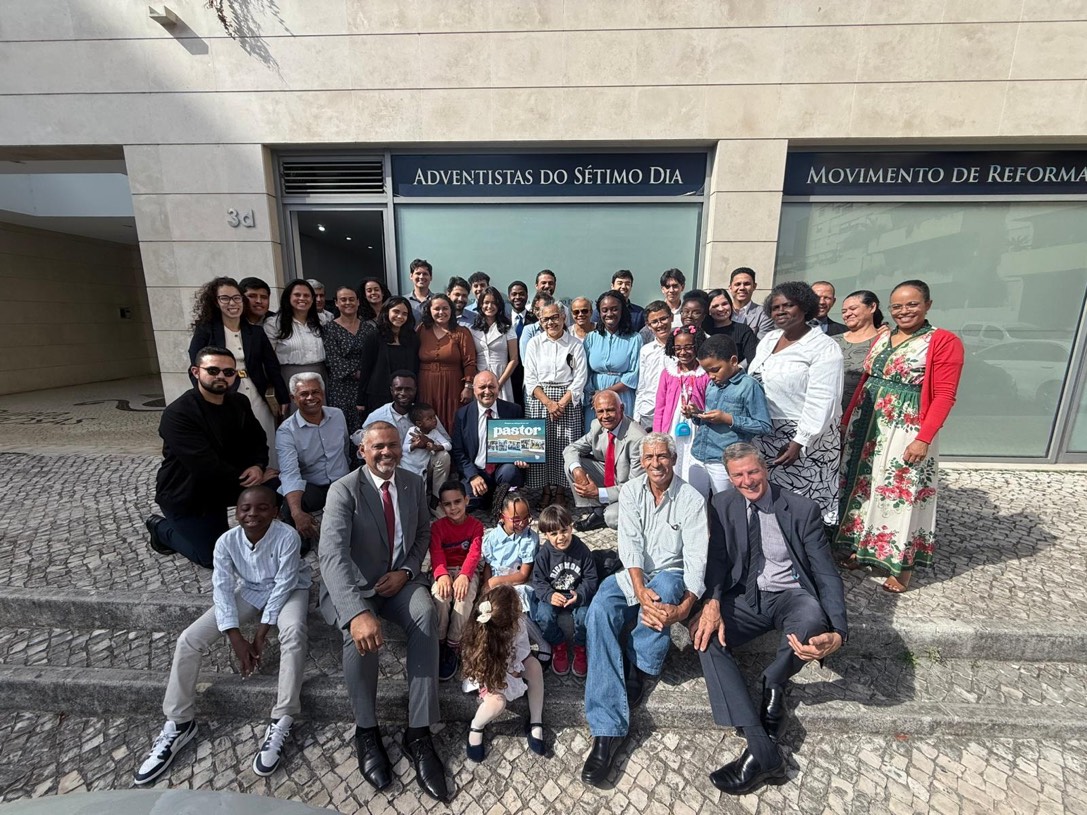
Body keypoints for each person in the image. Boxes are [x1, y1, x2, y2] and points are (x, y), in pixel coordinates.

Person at [692, 443, 847, 795]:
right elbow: (717, 560)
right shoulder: (721, 504)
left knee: (811, 622)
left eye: (753, 472)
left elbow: (825, 574)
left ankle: (773, 681)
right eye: (738, 475)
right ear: (729, 479)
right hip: (745, 596)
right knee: (704, 636)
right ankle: (763, 750)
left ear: (766, 469)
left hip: (791, 595)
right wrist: (713, 602)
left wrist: (838, 631)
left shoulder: (802, 509)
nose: (747, 481)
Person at [134, 486, 312, 786]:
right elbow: (223, 589)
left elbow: (283, 584)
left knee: (293, 631)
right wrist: (235, 637)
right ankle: (179, 722)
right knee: (189, 639)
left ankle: (283, 717)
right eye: (245, 508)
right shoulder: (226, 542)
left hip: (292, 589)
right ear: (236, 511)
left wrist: (260, 633)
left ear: (275, 511)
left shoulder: (287, 537)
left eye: (262, 508)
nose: (252, 514)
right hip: (251, 591)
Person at [318, 421, 449, 802]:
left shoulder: (411, 483)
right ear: (363, 450)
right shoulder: (343, 491)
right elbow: (331, 555)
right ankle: (366, 730)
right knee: (357, 633)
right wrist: (356, 611)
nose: (386, 452)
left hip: (397, 581)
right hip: (356, 586)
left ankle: (419, 731)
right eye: (378, 447)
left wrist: (407, 571)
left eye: (392, 445)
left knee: (426, 612)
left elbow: (423, 532)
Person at [580, 433, 708, 787]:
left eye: (662, 456)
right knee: (601, 609)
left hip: (672, 571)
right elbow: (630, 543)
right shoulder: (634, 492)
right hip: (634, 574)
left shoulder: (692, 500)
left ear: (673, 458)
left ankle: (639, 664)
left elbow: (697, 558)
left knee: (666, 589)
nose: (656, 463)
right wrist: (637, 587)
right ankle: (607, 732)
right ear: (643, 460)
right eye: (649, 457)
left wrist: (685, 609)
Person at [836, 280, 964, 593]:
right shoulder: (883, 336)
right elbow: (867, 378)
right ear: (888, 309)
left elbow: (945, 394)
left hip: (906, 426)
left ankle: (902, 566)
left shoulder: (942, 341)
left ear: (928, 305)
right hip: (868, 423)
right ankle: (862, 550)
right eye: (898, 306)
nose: (904, 311)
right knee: (863, 487)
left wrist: (924, 437)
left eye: (912, 304)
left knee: (900, 492)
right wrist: (846, 418)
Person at [147, 346, 269, 568]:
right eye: (213, 370)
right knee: (213, 558)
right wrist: (250, 477)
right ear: (196, 372)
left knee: (275, 486)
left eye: (228, 372)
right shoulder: (178, 414)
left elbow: (258, 440)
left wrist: (258, 466)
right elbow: (204, 465)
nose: (221, 376)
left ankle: (271, 539)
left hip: (227, 482)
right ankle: (161, 529)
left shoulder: (239, 402)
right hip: (190, 495)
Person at [749, 281, 844, 526]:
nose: (780, 311)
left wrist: (800, 440)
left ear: (804, 307)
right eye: (776, 307)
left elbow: (824, 399)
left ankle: (807, 558)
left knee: (803, 501)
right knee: (772, 499)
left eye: (788, 305)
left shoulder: (822, 346)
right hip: (768, 433)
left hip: (805, 437)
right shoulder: (769, 339)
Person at [188, 277, 288, 471]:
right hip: (223, 392)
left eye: (236, 298)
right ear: (216, 302)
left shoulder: (255, 332)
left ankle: (267, 479)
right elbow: (196, 366)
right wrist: (203, 396)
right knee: (233, 437)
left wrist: (283, 397)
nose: (232, 303)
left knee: (263, 434)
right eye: (225, 298)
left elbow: (272, 365)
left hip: (255, 392)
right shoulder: (206, 331)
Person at [461, 584, 546, 762]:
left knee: (535, 667)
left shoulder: (519, 624)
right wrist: (498, 676)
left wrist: (515, 668)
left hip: (513, 664)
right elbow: (478, 666)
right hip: (489, 675)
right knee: (497, 703)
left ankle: (536, 720)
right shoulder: (482, 632)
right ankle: (476, 726)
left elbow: (523, 647)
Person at [275, 372, 351, 550]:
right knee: (290, 503)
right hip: (315, 486)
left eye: (315, 392)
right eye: (304, 394)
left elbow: (346, 447)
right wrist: (297, 513)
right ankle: (299, 542)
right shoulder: (286, 431)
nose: (311, 398)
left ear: (323, 394)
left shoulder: (337, 415)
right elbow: (290, 473)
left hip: (343, 483)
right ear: (294, 398)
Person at [689, 334, 772, 496]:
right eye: (706, 372)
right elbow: (710, 420)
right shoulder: (712, 385)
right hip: (699, 455)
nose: (711, 376)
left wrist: (728, 419)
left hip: (724, 460)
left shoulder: (749, 386)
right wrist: (696, 414)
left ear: (733, 361)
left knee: (724, 507)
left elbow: (764, 425)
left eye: (715, 370)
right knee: (696, 503)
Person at [523, 301, 588, 508]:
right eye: (545, 319)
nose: (550, 322)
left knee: (565, 446)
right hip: (540, 398)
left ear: (563, 318)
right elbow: (530, 377)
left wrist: (560, 403)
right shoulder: (534, 343)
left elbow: (580, 378)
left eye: (554, 317)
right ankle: (544, 489)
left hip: (567, 398)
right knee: (541, 446)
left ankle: (560, 490)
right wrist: (548, 403)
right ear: (540, 322)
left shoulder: (575, 344)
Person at [563, 390, 646, 532]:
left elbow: (634, 488)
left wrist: (598, 493)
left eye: (610, 410)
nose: (605, 416)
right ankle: (598, 511)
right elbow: (571, 449)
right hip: (611, 475)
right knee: (572, 463)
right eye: (600, 411)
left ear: (622, 409)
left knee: (612, 517)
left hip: (632, 489)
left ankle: (627, 532)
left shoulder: (637, 439)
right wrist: (578, 471)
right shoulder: (597, 425)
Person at [531, 504, 598, 678]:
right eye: (554, 534)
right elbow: (538, 581)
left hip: (577, 596)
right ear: (546, 535)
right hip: (554, 596)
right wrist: (549, 595)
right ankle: (558, 646)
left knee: (584, 617)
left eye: (564, 531)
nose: (561, 537)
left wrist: (581, 594)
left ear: (571, 527)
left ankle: (580, 647)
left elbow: (591, 578)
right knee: (543, 617)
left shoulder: (582, 550)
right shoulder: (544, 555)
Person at [364, 372, 452, 502]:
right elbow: (362, 443)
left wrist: (429, 442)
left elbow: (447, 441)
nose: (403, 393)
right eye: (399, 389)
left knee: (443, 456)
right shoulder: (378, 415)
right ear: (391, 390)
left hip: (424, 464)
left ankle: (436, 499)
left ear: (415, 390)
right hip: (393, 465)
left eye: (409, 389)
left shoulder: (425, 414)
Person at [429, 479, 484, 682]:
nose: (453, 508)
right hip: (443, 570)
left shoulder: (476, 526)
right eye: (448, 504)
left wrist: (464, 576)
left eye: (457, 502)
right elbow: (436, 551)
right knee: (441, 598)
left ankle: (453, 644)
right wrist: (442, 575)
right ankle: (439, 640)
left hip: (466, 571)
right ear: (442, 506)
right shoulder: (437, 527)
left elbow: (474, 553)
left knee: (463, 599)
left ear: (466, 500)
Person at [451, 371, 526, 510]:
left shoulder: (513, 410)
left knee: (511, 471)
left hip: (501, 470)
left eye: (492, 387)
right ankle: (493, 499)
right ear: (474, 390)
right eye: (482, 387)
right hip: (477, 471)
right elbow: (458, 451)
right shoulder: (462, 415)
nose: (487, 391)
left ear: (498, 388)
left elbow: (521, 443)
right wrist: (472, 476)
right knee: (465, 503)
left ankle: (503, 500)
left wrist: (522, 457)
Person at [653, 326, 708, 487]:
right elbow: (660, 406)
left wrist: (698, 412)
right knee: (674, 461)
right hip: (672, 426)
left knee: (695, 465)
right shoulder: (668, 373)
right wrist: (658, 435)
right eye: (678, 348)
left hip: (697, 426)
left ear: (697, 346)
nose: (683, 352)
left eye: (688, 347)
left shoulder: (705, 373)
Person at [418, 293, 479, 433]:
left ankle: (453, 452)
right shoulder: (422, 330)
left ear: (451, 310)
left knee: (452, 421)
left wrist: (468, 386)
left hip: (452, 386)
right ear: (430, 310)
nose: (441, 312)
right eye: (437, 309)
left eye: (445, 308)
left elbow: (470, 362)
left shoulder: (462, 332)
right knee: (426, 421)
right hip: (426, 385)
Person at [356, 296, 420, 422]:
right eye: (396, 312)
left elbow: (416, 368)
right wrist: (360, 400)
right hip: (378, 394)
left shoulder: (413, 338)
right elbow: (366, 369)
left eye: (404, 313)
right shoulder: (374, 336)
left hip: (405, 396)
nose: (400, 316)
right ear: (387, 312)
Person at [582, 291, 641, 426]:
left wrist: (607, 392)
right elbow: (585, 371)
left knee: (621, 438)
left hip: (621, 396)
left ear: (622, 311)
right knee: (595, 438)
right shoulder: (591, 337)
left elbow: (634, 374)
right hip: (594, 398)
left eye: (614, 309)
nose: (609, 314)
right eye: (605, 310)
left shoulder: (634, 338)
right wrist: (593, 393)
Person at [264, 279, 327, 398]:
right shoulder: (274, 323)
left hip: (320, 375)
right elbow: (269, 360)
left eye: (307, 295)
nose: (302, 298)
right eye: (297, 295)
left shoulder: (322, 320)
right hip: (289, 377)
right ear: (288, 297)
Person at [481, 491, 538, 613]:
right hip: (494, 584)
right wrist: (487, 584)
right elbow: (488, 566)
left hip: (517, 584)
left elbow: (523, 575)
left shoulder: (529, 539)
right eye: (516, 520)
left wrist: (496, 581)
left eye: (526, 518)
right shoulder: (492, 537)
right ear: (502, 517)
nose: (522, 523)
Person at [322, 285, 368, 435]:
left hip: (365, 387)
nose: (348, 303)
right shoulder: (329, 329)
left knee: (365, 426)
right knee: (342, 428)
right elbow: (333, 359)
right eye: (343, 300)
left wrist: (368, 376)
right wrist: (358, 374)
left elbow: (374, 356)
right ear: (336, 303)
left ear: (358, 302)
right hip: (341, 387)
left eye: (351, 299)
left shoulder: (369, 328)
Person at [832, 289, 884, 416]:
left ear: (872, 307)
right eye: (844, 311)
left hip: (868, 415)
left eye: (853, 309)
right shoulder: (832, 342)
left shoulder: (885, 342)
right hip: (831, 415)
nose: (847, 314)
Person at [469, 286, 519, 402]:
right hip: (480, 377)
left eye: (493, 303)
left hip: (501, 376)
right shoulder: (473, 329)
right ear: (480, 304)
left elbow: (514, 359)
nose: (489, 306)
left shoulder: (507, 328)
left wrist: (499, 383)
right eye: (486, 302)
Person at [632, 300, 673, 429]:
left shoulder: (680, 348)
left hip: (672, 409)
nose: (660, 324)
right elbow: (642, 385)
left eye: (663, 319)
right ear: (648, 326)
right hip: (649, 410)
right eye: (654, 322)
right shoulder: (646, 350)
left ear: (671, 318)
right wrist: (637, 415)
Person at [401, 403, 453, 500]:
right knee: (407, 490)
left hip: (422, 468)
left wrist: (436, 447)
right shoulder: (412, 431)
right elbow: (404, 448)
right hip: (407, 465)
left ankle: (430, 503)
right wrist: (414, 445)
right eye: (429, 419)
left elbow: (448, 445)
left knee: (421, 491)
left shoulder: (435, 433)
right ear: (419, 423)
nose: (434, 420)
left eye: (434, 417)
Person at [702, 288, 758, 368]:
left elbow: (752, 358)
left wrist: (734, 370)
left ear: (731, 305)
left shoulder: (743, 330)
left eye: (725, 304)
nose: (721, 309)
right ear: (708, 311)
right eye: (715, 306)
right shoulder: (704, 332)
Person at [507, 280, 534, 408]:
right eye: (514, 294)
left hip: (529, 372)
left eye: (521, 294)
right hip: (509, 373)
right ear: (509, 297)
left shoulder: (535, 320)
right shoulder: (503, 320)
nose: (517, 297)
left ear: (527, 296)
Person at [729, 267, 774, 339]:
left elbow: (761, 345)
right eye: (737, 284)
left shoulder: (764, 314)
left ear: (754, 286)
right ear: (730, 288)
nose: (742, 288)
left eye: (747, 284)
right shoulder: (721, 312)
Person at [407, 258, 434, 322]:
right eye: (418, 273)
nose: (421, 277)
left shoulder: (437, 300)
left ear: (431, 277)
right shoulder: (403, 301)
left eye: (425, 274)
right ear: (411, 276)